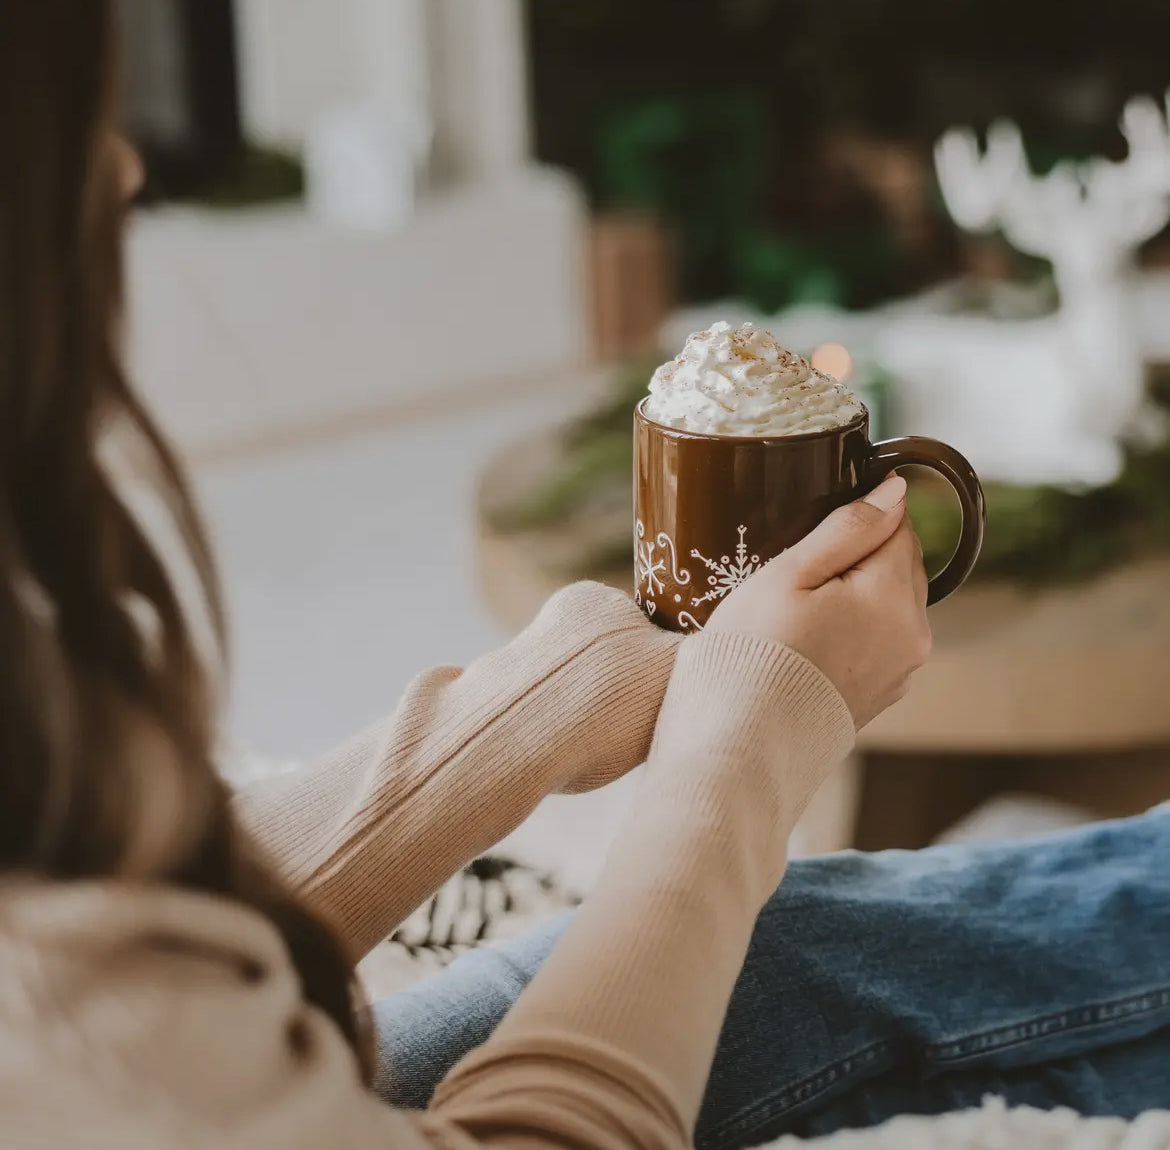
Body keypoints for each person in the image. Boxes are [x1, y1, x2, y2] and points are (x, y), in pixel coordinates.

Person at [2, 6, 1168, 1149]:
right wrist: (736, 769)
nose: (119, 169)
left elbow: (133, 936)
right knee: (790, 945)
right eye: (62, 128)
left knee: (789, 938)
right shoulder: (65, 1039)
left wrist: (524, 708)